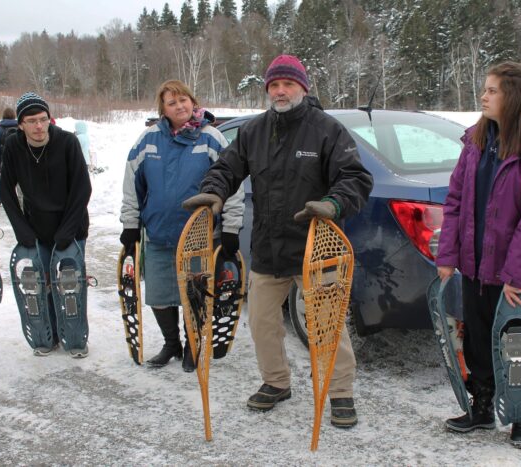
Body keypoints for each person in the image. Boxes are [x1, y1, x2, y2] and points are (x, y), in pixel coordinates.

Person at [183, 55, 373, 428]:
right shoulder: (254, 131)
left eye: (287, 84)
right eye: (273, 85)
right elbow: (226, 167)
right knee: (262, 322)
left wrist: (333, 203)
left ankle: (340, 392)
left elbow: (355, 177)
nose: (280, 91)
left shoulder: (326, 130)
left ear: (303, 87)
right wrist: (213, 191)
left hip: (315, 246)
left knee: (327, 323)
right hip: (269, 247)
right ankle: (276, 382)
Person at [435, 62, 521, 449]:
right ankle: (483, 407)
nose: (484, 96)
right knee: (476, 340)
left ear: (514, 97)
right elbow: (456, 200)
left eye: (492, 90)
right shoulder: (476, 141)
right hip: (475, 266)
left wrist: (516, 275)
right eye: (485, 89)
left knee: (516, 346)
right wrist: (448, 255)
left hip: (514, 275)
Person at [120, 80, 244, 372]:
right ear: (162, 108)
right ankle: (171, 343)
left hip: (199, 237)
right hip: (159, 234)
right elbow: (131, 185)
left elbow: (233, 185)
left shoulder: (211, 138)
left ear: (193, 101)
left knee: (196, 295)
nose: (180, 106)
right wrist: (130, 224)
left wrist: (230, 228)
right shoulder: (147, 140)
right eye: (172, 102)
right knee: (160, 297)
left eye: (184, 100)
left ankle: (192, 343)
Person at [0, 92, 92, 357]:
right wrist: (22, 230)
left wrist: (68, 229)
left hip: (71, 227)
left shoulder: (67, 142)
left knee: (70, 284)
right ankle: (48, 334)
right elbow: (6, 191)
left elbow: (82, 188)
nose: (39, 126)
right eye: (31, 121)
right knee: (42, 285)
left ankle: (74, 336)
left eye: (43, 119)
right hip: (37, 228)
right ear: (21, 124)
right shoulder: (14, 147)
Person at [0, 107, 18, 206]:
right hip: (20, 160)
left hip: (5, 160)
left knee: (7, 184)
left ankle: (8, 203)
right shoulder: (20, 127)